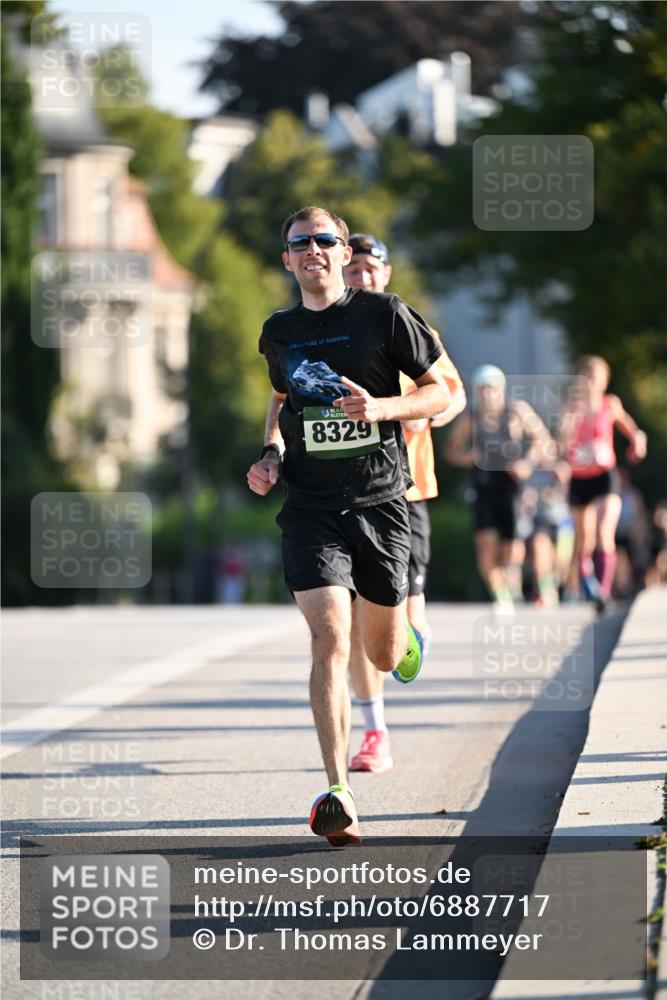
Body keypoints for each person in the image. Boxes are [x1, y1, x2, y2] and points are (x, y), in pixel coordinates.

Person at [246, 206, 451, 845]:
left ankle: (403, 639)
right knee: (331, 637)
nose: (313, 250)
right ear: (288, 259)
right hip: (311, 507)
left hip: (383, 500)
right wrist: (272, 455)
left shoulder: (383, 313)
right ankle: (339, 791)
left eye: (323, 240)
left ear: (341, 252)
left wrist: (383, 407)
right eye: (299, 243)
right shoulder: (278, 332)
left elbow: (441, 390)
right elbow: (283, 405)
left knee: (381, 651)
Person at [342, 233, 466, 774]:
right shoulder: (325, 332)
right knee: (350, 623)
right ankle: (375, 732)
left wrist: (421, 414)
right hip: (343, 496)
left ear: (386, 275)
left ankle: (413, 630)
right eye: (355, 270)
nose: (362, 278)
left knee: (403, 624)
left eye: (372, 269)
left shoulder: (405, 323)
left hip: (406, 490)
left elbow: (452, 391)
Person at [444, 364, 553, 613]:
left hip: (512, 487)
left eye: (491, 389)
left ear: (501, 389)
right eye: (482, 390)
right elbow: (450, 450)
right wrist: (467, 457)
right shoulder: (471, 418)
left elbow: (543, 440)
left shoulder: (516, 411)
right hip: (484, 487)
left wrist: (527, 462)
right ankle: (500, 595)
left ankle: (511, 577)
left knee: (512, 549)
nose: (487, 395)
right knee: (485, 543)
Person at [559, 355, 647, 610]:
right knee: (584, 539)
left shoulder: (611, 404)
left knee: (604, 531)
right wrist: (571, 430)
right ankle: (589, 585)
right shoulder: (572, 407)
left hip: (605, 475)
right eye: (586, 376)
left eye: (596, 377)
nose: (591, 381)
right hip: (579, 477)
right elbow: (562, 442)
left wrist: (637, 442)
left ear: (604, 380)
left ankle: (604, 592)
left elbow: (631, 429)